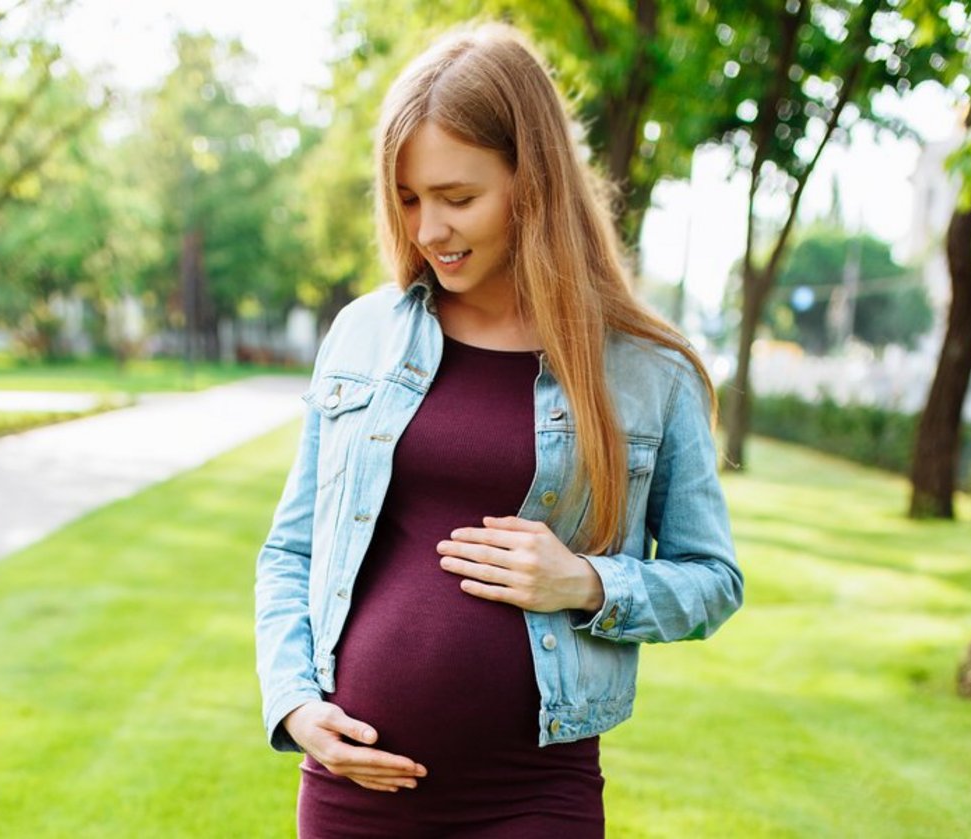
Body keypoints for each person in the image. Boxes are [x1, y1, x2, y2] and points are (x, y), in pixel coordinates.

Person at [254, 22, 742, 839]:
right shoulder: (363, 335)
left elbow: (712, 578)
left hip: (532, 795)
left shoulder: (648, 369)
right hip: (353, 790)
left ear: (535, 182)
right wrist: (297, 704)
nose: (427, 231)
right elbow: (290, 551)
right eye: (408, 199)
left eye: (457, 198)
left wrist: (587, 583)